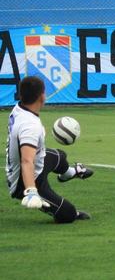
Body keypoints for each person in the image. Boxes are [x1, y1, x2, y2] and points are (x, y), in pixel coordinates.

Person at [5, 76, 94, 223]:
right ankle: (44, 200)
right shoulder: (30, 126)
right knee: (68, 214)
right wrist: (31, 191)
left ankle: (69, 173)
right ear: (41, 96)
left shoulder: (19, 108)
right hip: (26, 180)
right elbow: (26, 161)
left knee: (60, 157)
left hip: (36, 163)